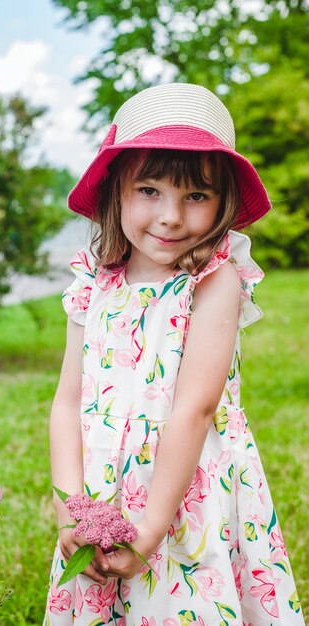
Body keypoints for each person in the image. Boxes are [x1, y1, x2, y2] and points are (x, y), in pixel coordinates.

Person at [43, 83, 304, 625]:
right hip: (103, 490)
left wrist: (152, 527)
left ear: (223, 199)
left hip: (185, 495)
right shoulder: (94, 284)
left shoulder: (214, 281)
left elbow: (195, 409)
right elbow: (68, 403)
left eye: (195, 196)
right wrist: (73, 512)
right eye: (150, 190)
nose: (170, 216)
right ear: (116, 190)